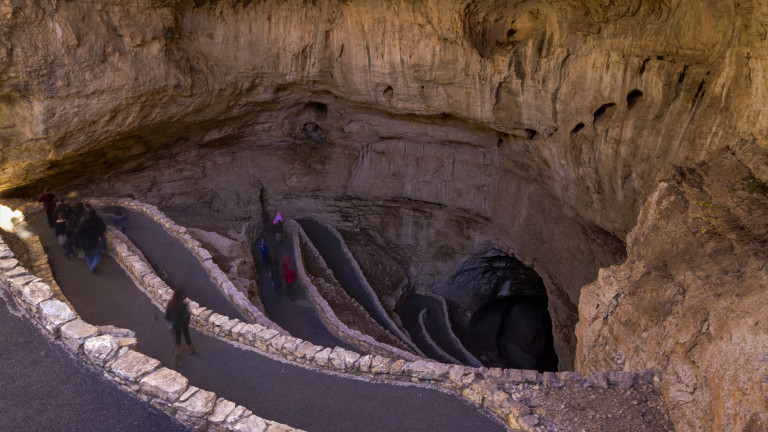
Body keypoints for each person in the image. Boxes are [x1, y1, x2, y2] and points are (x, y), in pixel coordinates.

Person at [165, 288, 194, 368]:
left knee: (178, 339)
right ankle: (189, 348)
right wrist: (187, 322)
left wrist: (172, 321)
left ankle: (177, 352)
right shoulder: (184, 304)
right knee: (186, 334)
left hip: (175, 324)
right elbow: (187, 315)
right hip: (183, 323)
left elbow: (167, 316)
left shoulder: (170, 304)